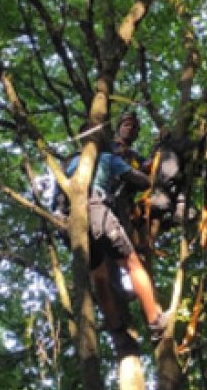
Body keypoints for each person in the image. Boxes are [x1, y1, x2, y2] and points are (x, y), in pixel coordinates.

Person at [66, 121, 170, 341]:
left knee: (100, 274)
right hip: (98, 210)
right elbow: (141, 183)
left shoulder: (71, 164)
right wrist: (142, 172)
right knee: (132, 264)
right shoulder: (107, 158)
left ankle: (114, 325)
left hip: (75, 221)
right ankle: (155, 322)